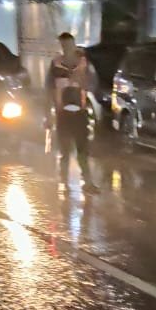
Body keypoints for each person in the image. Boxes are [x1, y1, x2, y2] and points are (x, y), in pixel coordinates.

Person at [45, 32, 99, 194]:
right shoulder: (55, 64)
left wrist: (83, 82)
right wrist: (48, 112)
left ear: (74, 44)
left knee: (83, 149)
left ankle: (87, 182)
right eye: (64, 45)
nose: (67, 48)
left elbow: (93, 83)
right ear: (61, 46)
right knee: (65, 151)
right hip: (63, 113)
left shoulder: (83, 63)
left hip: (80, 112)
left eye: (69, 44)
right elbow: (48, 89)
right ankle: (65, 184)